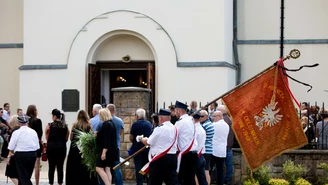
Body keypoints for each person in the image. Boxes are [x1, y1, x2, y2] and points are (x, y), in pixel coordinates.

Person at [138, 108, 179, 185]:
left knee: (154, 182)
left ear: (160, 118)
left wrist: (141, 138)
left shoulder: (159, 129)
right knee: (172, 182)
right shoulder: (175, 128)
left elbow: (148, 142)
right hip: (172, 157)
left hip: (160, 159)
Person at [66, 110, 98, 185]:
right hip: (85, 150)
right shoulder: (89, 125)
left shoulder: (74, 125)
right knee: (84, 167)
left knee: (75, 167)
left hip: (75, 149)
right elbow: (92, 137)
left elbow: (71, 138)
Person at [7, 114, 39, 185]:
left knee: (23, 176)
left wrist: (9, 157)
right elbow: (37, 146)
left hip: (21, 155)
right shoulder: (33, 132)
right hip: (32, 154)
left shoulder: (16, 133)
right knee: (27, 176)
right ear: (27, 123)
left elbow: (11, 147)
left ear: (19, 123)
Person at [174, 100, 198, 185]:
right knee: (190, 179)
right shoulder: (191, 120)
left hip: (185, 154)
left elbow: (174, 137)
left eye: (175, 110)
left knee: (183, 179)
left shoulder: (180, 122)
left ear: (179, 111)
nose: (174, 113)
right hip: (193, 153)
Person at [45, 109, 69, 185]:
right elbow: (66, 138)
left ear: (55, 116)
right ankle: (60, 183)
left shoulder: (49, 125)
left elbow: (47, 137)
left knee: (51, 167)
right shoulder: (65, 126)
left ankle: (51, 183)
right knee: (60, 168)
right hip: (61, 148)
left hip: (51, 148)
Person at [129, 108, 152, 185]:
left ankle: (140, 182)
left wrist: (134, 141)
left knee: (138, 165)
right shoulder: (149, 124)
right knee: (146, 165)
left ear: (137, 116)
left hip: (137, 149)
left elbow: (131, 137)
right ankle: (147, 180)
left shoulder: (135, 124)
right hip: (146, 148)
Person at [96, 108, 118, 185]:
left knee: (98, 168)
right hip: (111, 151)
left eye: (100, 115)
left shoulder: (106, 125)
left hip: (106, 151)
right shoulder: (111, 123)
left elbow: (107, 140)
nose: (99, 116)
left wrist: (103, 153)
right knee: (107, 169)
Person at [106, 104, 124, 185]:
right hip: (116, 146)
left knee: (106, 167)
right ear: (114, 110)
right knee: (117, 167)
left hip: (106, 147)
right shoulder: (119, 121)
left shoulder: (105, 121)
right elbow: (121, 133)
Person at [26, 104, 43, 185]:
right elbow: (40, 133)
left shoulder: (26, 121)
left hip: (27, 144)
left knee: (27, 165)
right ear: (34, 111)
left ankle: (27, 181)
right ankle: (37, 183)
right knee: (37, 165)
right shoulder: (38, 121)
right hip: (36, 144)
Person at [218, 105, 234, 185]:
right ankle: (228, 179)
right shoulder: (231, 119)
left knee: (220, 165)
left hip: (222, 145)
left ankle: (222, 179)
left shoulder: (222, 121)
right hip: (229, 145)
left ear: (222, 112)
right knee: (229, 164)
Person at [212, 111, 229, 185]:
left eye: (214, 116)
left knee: (209, 169)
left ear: (219, 116)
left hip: (214, 150)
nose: (213, 118)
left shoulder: (215, 125)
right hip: (222, 151)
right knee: (220, 170)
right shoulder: (226, 125)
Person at [199, 110, 214, 185]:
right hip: (209, 150)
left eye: (201, 116)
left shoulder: (205, 125)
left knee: (205, 171)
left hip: (205, 150)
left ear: (206, 116)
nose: (200, 118)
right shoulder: (210, 124)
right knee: (206, 170)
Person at [5, 115, 20, 185]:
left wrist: (8, 156)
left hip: (14, 155)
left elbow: (11, 146)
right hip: (22, 154)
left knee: (10, 173)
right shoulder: (20, 129)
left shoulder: (14, 132)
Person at [193, 112, 207, 185]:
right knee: (202, 179)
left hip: (196, 156)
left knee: (191, 179)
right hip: (201, 155)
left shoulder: (195, 130)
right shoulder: (201, 129)